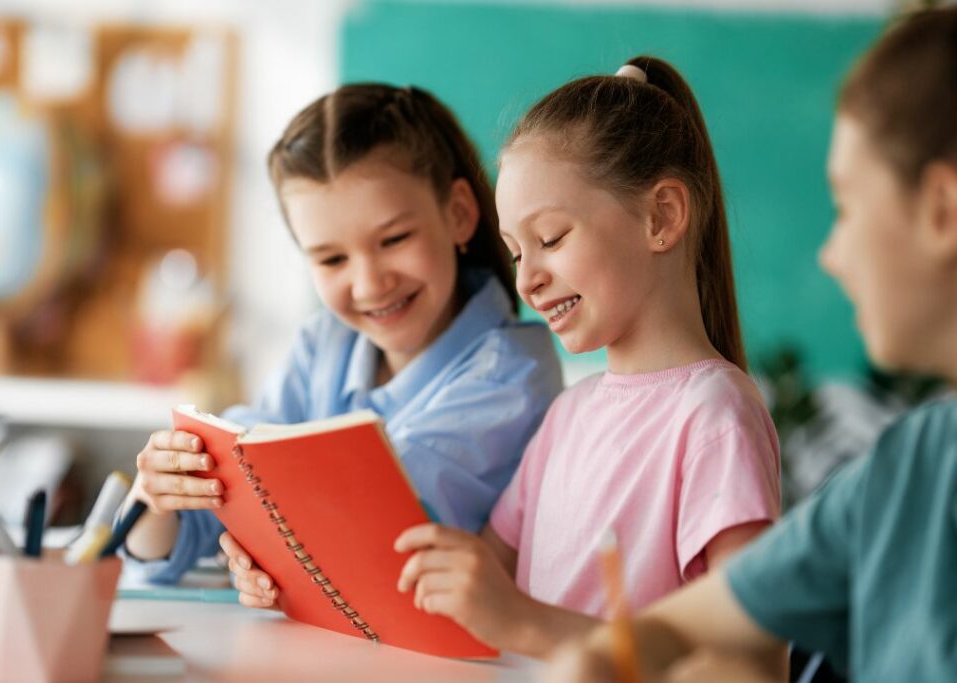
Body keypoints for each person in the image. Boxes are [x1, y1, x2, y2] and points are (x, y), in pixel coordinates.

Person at [545, 7, 957, 682]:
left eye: (848, 207)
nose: (832, 254)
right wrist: (608, 656)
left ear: (942, 210)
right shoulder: (903, 469)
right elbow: (685, 626)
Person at [390, 56, 780, 658]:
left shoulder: (712, 417)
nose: (527, 281)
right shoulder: (569, 416)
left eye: (551, 239)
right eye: (517, 253)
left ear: (661, 216)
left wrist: (525, 625)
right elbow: (479, 587)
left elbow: (749, 664)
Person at [124, 83, 564, 589]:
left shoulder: (513, 371)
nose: (370, 283)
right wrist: (161, 497)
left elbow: (377, 530)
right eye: (332, 259)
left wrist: (263, 543)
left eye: (394, 239)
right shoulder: (324, 344)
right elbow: (177, 538)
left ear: (459, 214)